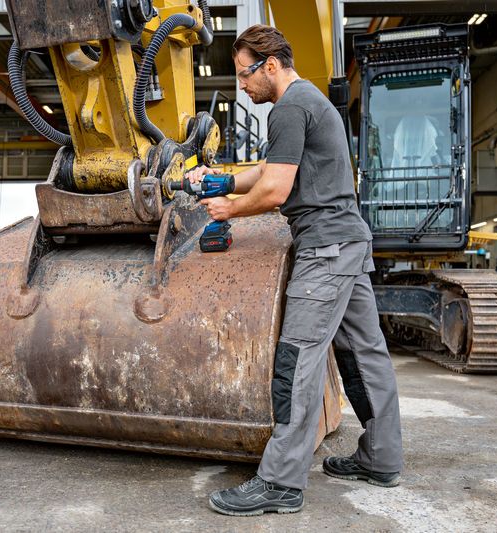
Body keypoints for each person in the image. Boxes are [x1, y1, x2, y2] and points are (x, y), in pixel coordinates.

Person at [185, 24, 404, 517]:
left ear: (270, 65)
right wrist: (219, 179)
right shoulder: (309, 102)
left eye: (245, 75)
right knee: (364, 354)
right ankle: (383, 456)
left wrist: (228, 209)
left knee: (297, 359)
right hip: (348, 240)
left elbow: (275, 191)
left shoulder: (287, 108)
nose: (242, 86)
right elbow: (267, 170)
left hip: (325, 249)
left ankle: (281, 482)